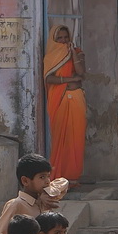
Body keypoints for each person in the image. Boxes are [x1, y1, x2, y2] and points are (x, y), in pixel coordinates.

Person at [44, 25, 87, 184]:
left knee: (76, 137)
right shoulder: (50, 56)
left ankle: (73, 176)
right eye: (60, 38)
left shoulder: (78, 52)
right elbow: (49, 78)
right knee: (60, 138)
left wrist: (72, 54)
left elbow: (81, 73)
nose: (63, 41)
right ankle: (58, 175)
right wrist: (69, 80)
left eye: (66, 37)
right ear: (54, 40)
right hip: (59, 100)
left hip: (76, 99)